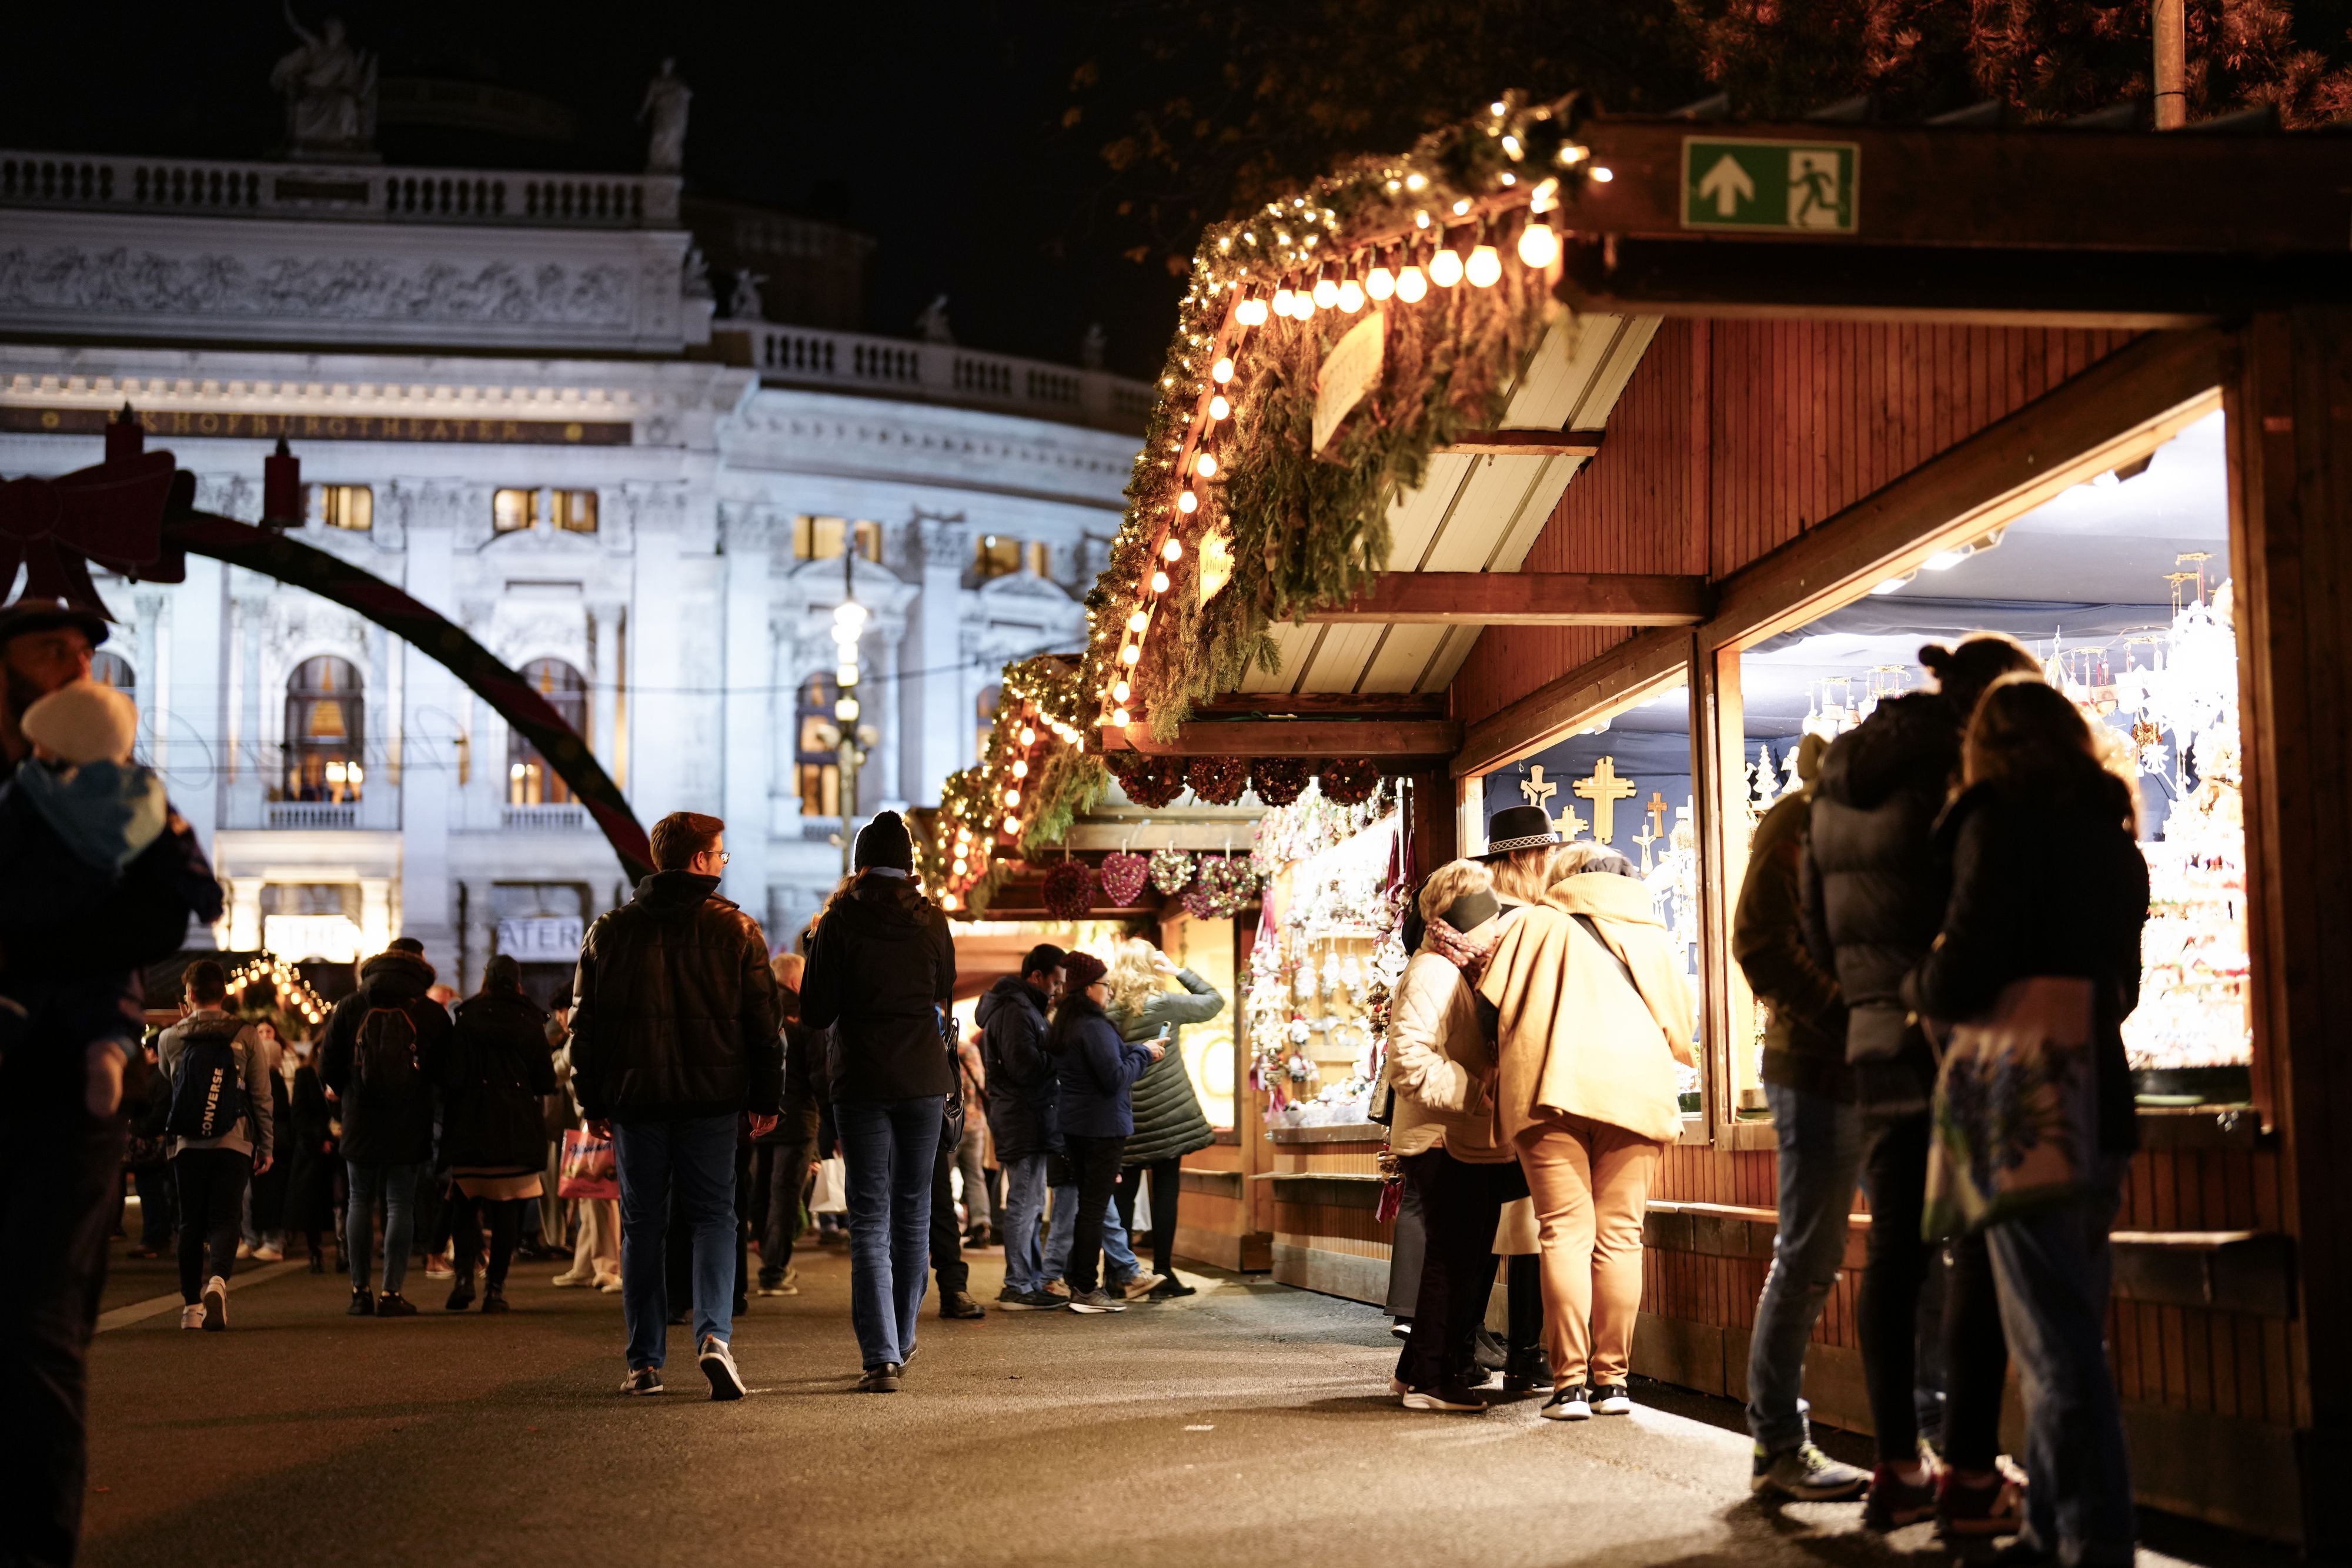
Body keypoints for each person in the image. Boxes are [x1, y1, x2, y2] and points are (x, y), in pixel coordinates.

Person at [1904, 677, 2148, 1567]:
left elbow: (1965, 966)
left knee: (2056, 1338)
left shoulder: (1993, 825)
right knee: (2073, 1316)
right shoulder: (2114, 840)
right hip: (2100, 1096)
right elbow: (2124, 988)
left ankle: (2094, 1534)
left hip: (2020, 1102)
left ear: (1986, 748)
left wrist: (1917, 986)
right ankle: (2052, 1523)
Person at [0, 598, 222, 1568]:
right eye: (53, 648)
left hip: (60, 1085)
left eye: (87, 648)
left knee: (40, 1324)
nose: (79, 663)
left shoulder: (123, 788)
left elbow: (174, 904)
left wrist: (38, 950)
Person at [1802, 636, 2036, 1527]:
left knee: (1894, 1248)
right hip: (1955, 1035)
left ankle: (1895, 1463)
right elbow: (1976, 914)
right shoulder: (1957, 774)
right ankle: (1972, 1475)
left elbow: (1821, 936)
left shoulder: (1836, 782)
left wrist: (1872, 998)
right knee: (1974, 1245)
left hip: (1874, 1039)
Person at [570, 811, 783, 1400]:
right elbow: (764, 1026)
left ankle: (644, 1362)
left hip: (637, 1102)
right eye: (719, 855)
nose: (721, 863)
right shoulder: (736, 931)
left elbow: (584, 1027)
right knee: (715, 1217)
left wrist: (590, 1098)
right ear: (698, 861)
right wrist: (767, 1096)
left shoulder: (610, 931)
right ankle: (714, 1336)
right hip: (713, 1101)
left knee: (642, 1223)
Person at [1481, 842, 1693, 1422]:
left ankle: (1569, 1386)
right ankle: (1614, 1384)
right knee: (1621, 1237)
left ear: (1562, 877)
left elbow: (1490, 1009)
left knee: (1565, 1235)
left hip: (1551, 1086)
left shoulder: (1534, 925)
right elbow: (1681, 1029)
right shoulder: (1651, 932)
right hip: (1634, 1090)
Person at [1734, 733, 1873, 1502]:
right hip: (1820, 1067)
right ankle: (1780, 1440)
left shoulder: (1881, 823)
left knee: (1915, 1255)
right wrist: (1849, 1012)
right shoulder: (1800, 820)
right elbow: (1759, 941)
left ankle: (1926, 1444)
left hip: (1878, 1064)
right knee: (1811, 1256)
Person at [800, 811, 957, 1391]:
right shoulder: (932, 921)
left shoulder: (840, 919)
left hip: (861, 1078)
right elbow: (944, 987)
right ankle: (904, 1336)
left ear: (860, 863)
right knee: (913, 1208)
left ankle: (881, 1355)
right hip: (922, 1076)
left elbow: (815, 1010)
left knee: (869, 1215)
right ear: (910, 864)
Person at [1384, 860, 1532, 1412]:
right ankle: (1429, 1382)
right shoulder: (1436, 972)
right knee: (1453, 1261)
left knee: (1461, 1258)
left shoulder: (1452, 966)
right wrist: (1478, 1091)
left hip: (1457, 1136)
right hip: (1442, 1138)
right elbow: (1409, 1062)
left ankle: (1418, 1369)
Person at [320, 938, 451, 1319]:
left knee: (358, 1200)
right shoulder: (429, 1012)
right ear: (419, 966)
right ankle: (392, 1293)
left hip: (360, 1118)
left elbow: (327, 1065)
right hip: (410, 1121)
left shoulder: (350, 1005)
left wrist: (351, 1092)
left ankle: (359, 1291)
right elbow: (448, 1072)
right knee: (400, 1203)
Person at [154, 961, 276, 1331]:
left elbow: (170, 1082)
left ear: (189, 995)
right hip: (233, 1140)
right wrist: (266, 1145)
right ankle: (218, 1283)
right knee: (226, 1217)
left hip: (187, 1143)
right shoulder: (246, 1033)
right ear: (224, 992)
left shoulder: (171, 1037)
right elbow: (261, 1095)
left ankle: (191, 1309)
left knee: (191, 1222)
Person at [1105, 938, 1224, 1301]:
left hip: (1129, 1118)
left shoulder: (1108, 1014)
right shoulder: (1164, 1003)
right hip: (1170, 1117)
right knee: (1167, 1191)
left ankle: (1118, 1274)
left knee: (1123, 1194)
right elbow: (1214, 1002)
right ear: (1150, 966)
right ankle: (1162, 1270)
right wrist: (1176, 971)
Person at [440, 956, 557, 1313]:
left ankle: (463, 1278)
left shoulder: (467, 1016)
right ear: (518, 982)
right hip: (516, 1125)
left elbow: (453, 1074)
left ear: (487, 981)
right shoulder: (530, 1019)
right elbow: (545, 1080)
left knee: (464, 1203)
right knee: (507, 1212)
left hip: (472, 1122)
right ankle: (495, 1289)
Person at [1050, 951, 1163, 1314]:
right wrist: (1143, 1056)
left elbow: (1102, 1062)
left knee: (1089, 1207)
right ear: (1087, 988)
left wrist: (1137, 1049)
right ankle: (1085, 1287)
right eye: (1104, 984)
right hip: (1102, 1128)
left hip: (1077, 1126)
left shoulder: (1068, 1024)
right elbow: (1114, 1078)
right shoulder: (1094, 1026)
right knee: (1094, 1209)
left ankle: (1081, 1283)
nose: (1109, 991)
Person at [977, 944, 1063, 1309]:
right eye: (1055, 982)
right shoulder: (1016, 1010)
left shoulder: (1020, 1007)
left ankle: (1027, 1281)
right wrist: (1061, 1053)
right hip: (1023, 1117)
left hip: (1028, 1116)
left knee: (1031, 1201)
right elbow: (1024, 1066)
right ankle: (1017, 1284)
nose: (1058, 990)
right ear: (1036, 977)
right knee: (1025, 1203)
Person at [751, 952, 824, 1297]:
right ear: (797, 981)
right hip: (797, 1120)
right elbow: (818, 1072)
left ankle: (759, 1250)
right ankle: (773, 1272)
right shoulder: (806, 1014)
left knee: (760, 1188)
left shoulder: (760, 1011)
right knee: (785, 1194)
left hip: (758, 1117)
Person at [287, 1039, 340, 1272]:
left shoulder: (341, 1075)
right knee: (312, 1203)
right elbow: (299, 1115)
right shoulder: (306, 1075)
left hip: (340, 1147)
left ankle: (343, 1251)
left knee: (341, 1201)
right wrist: (321, 1140)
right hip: (313, 1149)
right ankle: (315, 1251)